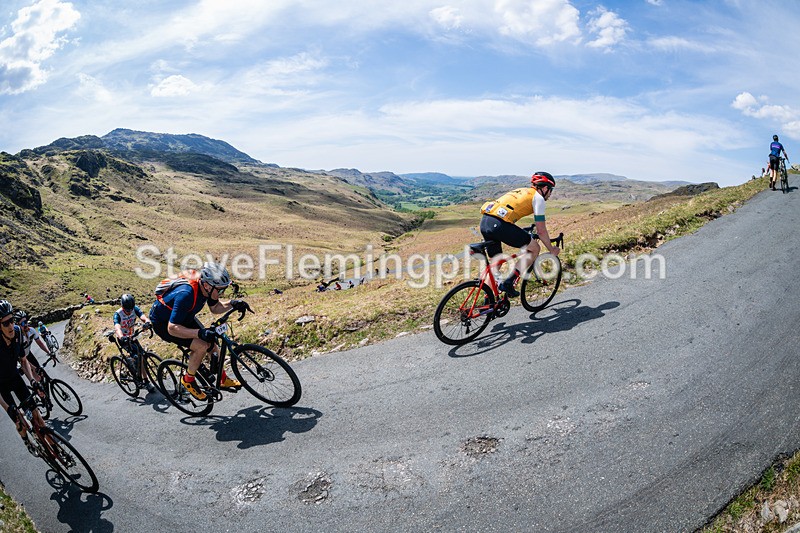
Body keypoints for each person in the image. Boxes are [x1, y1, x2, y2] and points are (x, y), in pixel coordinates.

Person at [148, 262, 247, 400]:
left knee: (212, 343)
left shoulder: (207, 287)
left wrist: (233, 303)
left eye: (223, 290)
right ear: (207, 285)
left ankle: (222, 379)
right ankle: (188, 380)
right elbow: (172, 328)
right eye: (219, 290)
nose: (220, 293)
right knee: (201, 345)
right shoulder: (186, 294)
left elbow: (215, 308)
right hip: (165, 324)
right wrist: (199, 333)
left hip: (184, 316)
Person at [479, 171, 561, 297]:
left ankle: (489, 301)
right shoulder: (538, 198)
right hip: (499, 225)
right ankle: (508, 283)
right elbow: (541, 230)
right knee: (534, 249)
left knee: (497, 261)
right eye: (551, 190)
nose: (550, 194)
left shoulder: (522, 190)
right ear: (545, 188)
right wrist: (551, 249)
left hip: (485, 222)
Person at [0, 301, 46, 442]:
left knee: (37, 415)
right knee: (19, 422)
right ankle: (26, 439)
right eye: (6, 323)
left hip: (14, 377)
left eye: (12, 320)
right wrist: (8, 408)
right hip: (1, 386)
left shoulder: (18, 333)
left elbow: (23, 361)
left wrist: (33, 380)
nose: (11, 326)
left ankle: (56, 450)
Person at [113, 294, 152, 383]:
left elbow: (143, 317)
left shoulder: (135, 309)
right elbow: (117, 328)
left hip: (132, 336)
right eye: (127, 310)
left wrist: (147, 322)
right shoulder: (118, 314)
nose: (129, 312)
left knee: (142, 356)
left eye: (131, 310)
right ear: (122, 307)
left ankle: (145, 380)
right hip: (124, 339)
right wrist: (122, 337)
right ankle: (133, 371)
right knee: (137, 357)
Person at [13, 310, 51, 380]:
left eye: (26, 322)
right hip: (21, 359)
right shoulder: (18, 337)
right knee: (36, 379)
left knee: (41, 372)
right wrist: (33, 368)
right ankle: (38, 389)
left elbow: (40, 343)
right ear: (18, 325)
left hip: (28, 354)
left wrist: (49, 352)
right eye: (23, 323)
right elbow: (22, 359)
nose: (25, 325)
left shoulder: (31, 330)